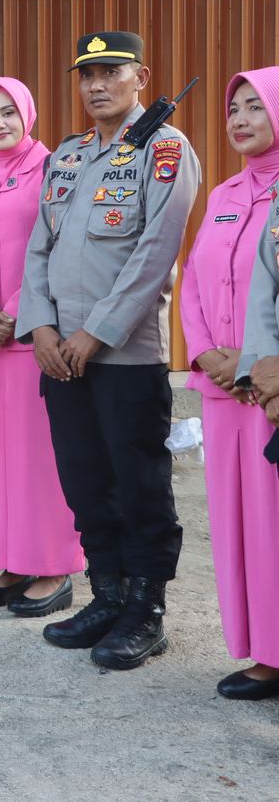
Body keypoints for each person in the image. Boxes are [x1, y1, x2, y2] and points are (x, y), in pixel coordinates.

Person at [16, 32, 199, 670]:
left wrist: (95, 331)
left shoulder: (165, 150)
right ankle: (108, 595)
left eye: (110, 72)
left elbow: (155, 253)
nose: (96, 85)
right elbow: (38, 247)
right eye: (87, 75)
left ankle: (146, 611)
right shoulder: (67, 156)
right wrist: (39, 327)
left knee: (139, 483)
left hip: (124, 355)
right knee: (85, 481)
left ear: (140, 77)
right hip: (60, 356)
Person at [0, 80, 83, 616]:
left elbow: (59, 247)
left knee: (39, 458)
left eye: (8, 112)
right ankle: (8, 560)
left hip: (34, 338)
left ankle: (52, 566)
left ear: (28, 114)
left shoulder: (55, 170)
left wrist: (15, 312)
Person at [188, 67, 279, 699]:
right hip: (224, 390)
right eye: (234, 108)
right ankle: (260, 647)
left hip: (271, 391)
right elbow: (194, 279)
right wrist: (203, 354)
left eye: (256, 107)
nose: (240, 119)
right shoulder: (223, 194)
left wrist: (254, 364)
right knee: (237, 524)